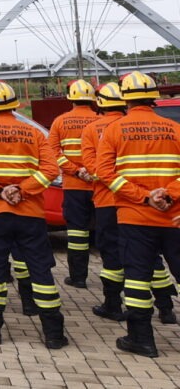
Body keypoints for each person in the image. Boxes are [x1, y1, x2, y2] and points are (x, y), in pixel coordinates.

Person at [0, 79, 66, 349]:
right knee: (40, 271)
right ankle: (54, 335)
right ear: (14, 104)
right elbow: (51, 170)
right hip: (29, 212)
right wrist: (23, 190)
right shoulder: (33, 133)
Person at [97, 71, 180, 358]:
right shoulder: (173, 128)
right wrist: (168, 194)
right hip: (173, 216)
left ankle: (142, 339)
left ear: (125, 99)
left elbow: (106, 173)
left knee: (136, 277)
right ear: (155, 97)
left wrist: (143, 196)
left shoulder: (114, 130)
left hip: (135, 215)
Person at [81, 81, 128, 321]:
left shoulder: (93, 129)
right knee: (147, 254)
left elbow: (93, 166)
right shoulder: (171, 127)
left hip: (108, 200)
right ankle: (165, 307)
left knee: (111, 253)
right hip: (145, 204)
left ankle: (113, 304)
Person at [46, 79, 100, 287]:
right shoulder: (100, 121)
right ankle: (115, 277)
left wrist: (76, 171)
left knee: (77, 233)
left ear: (71, 99)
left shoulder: (60, 122)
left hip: (74, 185)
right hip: (100, 187)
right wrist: (93, 172)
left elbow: (54, 154)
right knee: (105, 233)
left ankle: (78, 278)